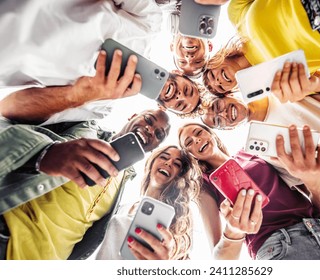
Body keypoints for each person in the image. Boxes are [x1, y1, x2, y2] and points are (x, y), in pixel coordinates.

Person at [178, 122, 320, 260]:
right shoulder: (204, 185)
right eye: (188, 143)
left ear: (211, 133)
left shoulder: (252, 151)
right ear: (191, 155)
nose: (196, 140)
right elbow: (219, 256)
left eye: (198, 132)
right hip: (278, 247)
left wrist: (319, 183)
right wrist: (234, 231)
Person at [0, 108, 171, 259]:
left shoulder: (123, 185)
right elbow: (8, 122)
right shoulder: (86, 126)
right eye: (148, 120)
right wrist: (44, 152)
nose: (150, 130)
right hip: (7, 234)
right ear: (132, 116)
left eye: (158, 134)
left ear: (154, 148)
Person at [199, 88, 320, 208]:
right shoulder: (267, 154)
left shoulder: (281, 85)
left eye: (217, 106)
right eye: (218, 121)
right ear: (227, 129)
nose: (223, 114)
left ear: (229, 93)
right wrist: (318, 184)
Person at [0, 0, 165, 125]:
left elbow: (7, 107)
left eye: (178, 105)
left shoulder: (101, 107)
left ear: (164, 106)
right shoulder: (151, 24)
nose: (178, 95)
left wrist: (78, 95)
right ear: (180, 73)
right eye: (188, 90)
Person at [202, 36, 320, 102]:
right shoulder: (278, 84)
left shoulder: (247, 35)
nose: (217, 81)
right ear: (230, 90)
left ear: (215, 61)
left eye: (212, 75)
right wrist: (314, 84)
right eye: (218, 87)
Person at [96, 145, 201, 260]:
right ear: (151, 164)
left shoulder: (177, 219)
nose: (169, 163)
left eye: (176, 164)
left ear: (178, 176)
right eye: (164, 157)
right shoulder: (122, 208)